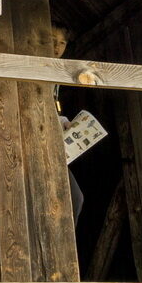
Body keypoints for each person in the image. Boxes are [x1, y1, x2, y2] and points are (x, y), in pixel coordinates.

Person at [50, 22, 85, 225]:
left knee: (75, 199)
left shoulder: (57, 72)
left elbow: (51, 107)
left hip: (54, 143)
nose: (57, 47)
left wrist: (63, 121)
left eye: (62, 43)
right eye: (52, 41)